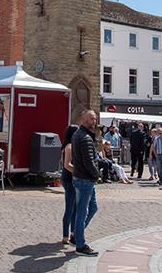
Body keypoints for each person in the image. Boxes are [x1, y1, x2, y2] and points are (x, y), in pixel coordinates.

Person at [70, 109, 100, 256]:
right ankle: (80, 245)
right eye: (91, 119)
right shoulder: (85, 137)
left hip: (81, 178)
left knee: (93, 207)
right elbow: (88, 161)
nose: (93, 121)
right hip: (85, 179)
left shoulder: (79, 134)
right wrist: (96, 175)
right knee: (82, 213)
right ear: (83, 120)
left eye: (94, 119)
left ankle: (76, 234)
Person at [60, 125, 78, 245]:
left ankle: (72, 233)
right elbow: (67, 165)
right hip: (69, 179)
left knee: (74, 208)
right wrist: (79, 172)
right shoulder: (69, 147)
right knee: (70, 208)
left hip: (69, 179)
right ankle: (66, 235)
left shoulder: (68, 146)